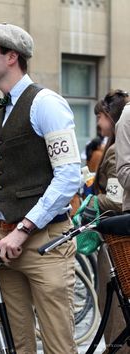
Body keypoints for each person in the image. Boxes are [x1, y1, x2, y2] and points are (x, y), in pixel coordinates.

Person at [0, 23, 81, 354]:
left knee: (59, 346)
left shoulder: (46, 103)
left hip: (45, 245)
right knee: (17, 344)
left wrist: (24, 228)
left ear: (10, 57)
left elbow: (70, 176)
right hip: (2, 244)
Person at [83, 90, 130, 353]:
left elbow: (115, 199)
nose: (98, 123)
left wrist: (93, 200)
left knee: (112, 304)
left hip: (114, 235)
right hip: (115, 233)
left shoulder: (113, 152)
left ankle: (117, 348)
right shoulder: (110, 147)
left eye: (100, 116)